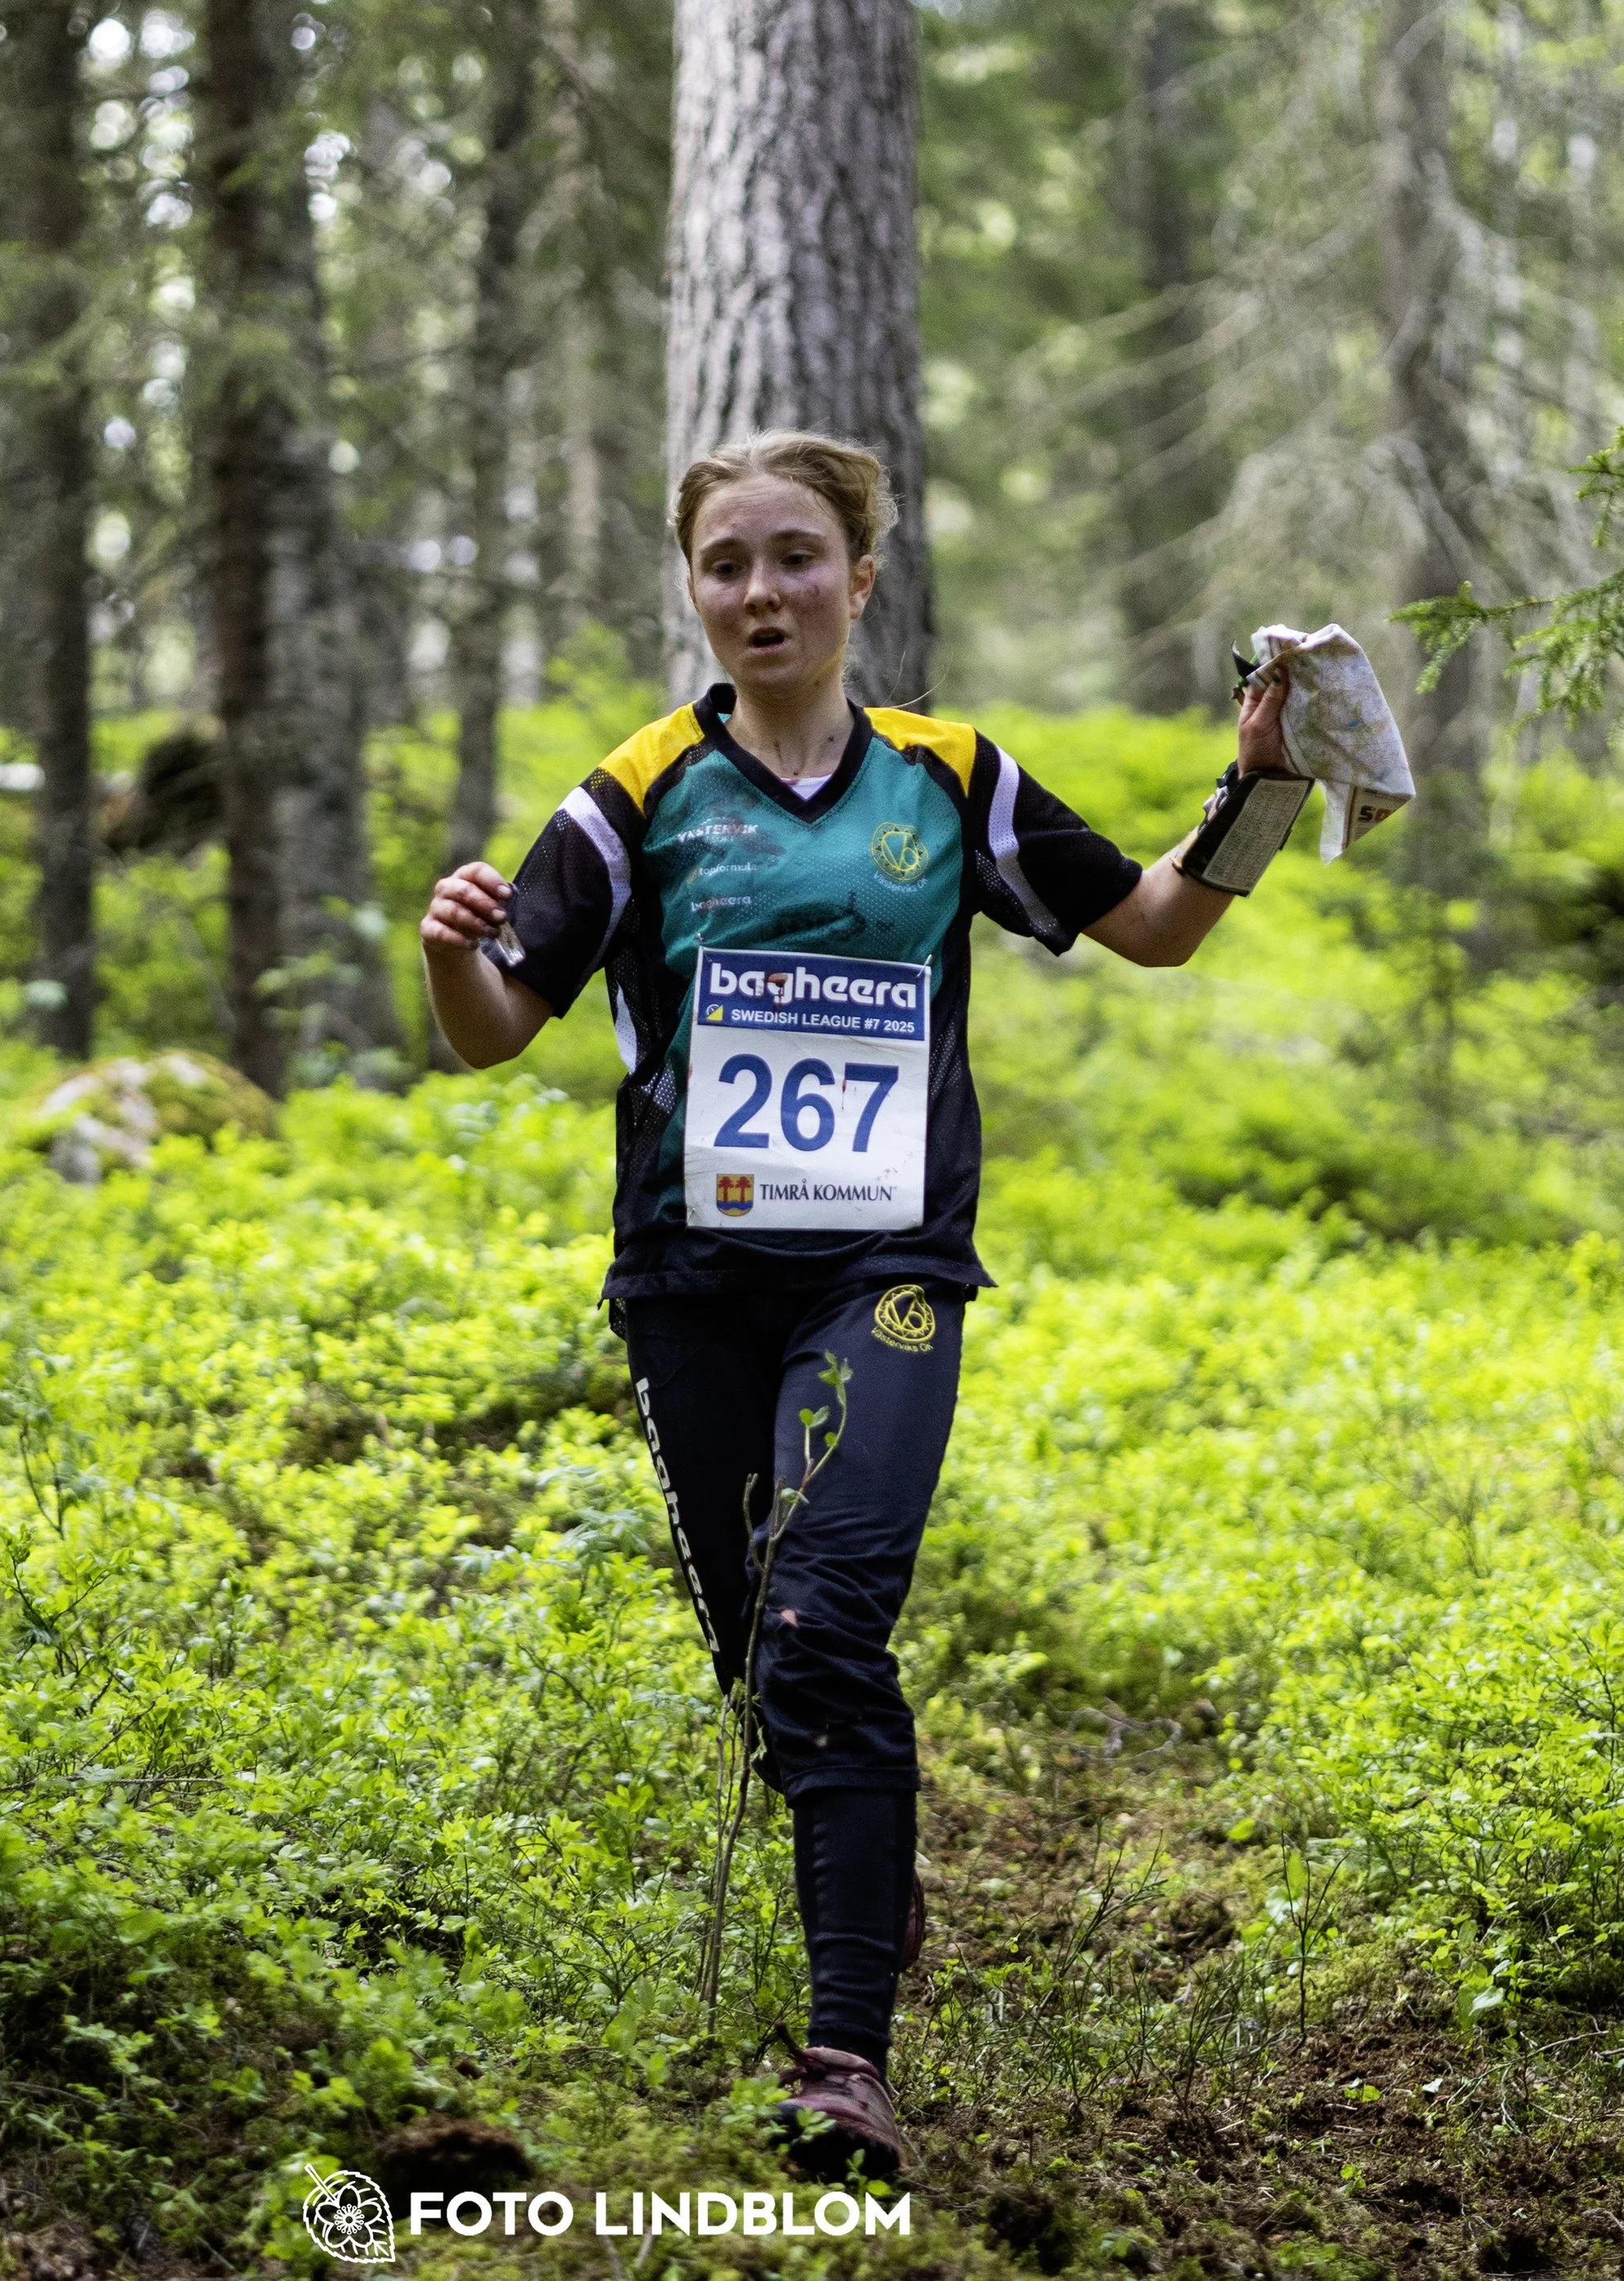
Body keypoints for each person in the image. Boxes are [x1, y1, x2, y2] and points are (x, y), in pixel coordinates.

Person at [419, 430, 1295, 2178]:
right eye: (727, 563)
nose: (763, 592)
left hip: (883, 1269)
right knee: (764, 1654)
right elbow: (496, 1028)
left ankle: (843, 2060)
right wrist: (451, 950)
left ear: (860, 578)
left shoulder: (945, 776)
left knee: (824, 1618)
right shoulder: (636, 791)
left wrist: (1255, 788)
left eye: (796, 557)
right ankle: (863, 1848)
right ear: (694, 588)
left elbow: (1154, 925)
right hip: (688, 1279)